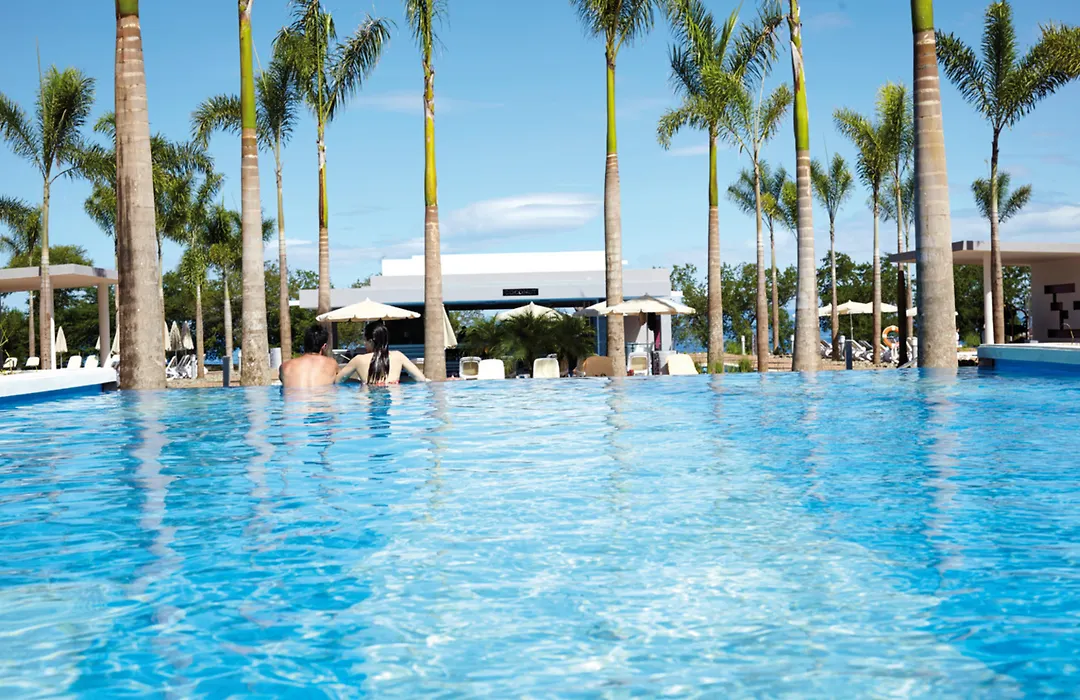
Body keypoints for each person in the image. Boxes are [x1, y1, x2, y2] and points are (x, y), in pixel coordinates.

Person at [336, 322, 428, 385]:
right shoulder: (398, 356)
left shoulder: (358, 360)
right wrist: (398, 381)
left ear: (371, 341)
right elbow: (421, 379)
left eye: (365, 340)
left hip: (367, 404)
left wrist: (360, 382)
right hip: (395, 406)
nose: (364, 344)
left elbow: (338, 381)